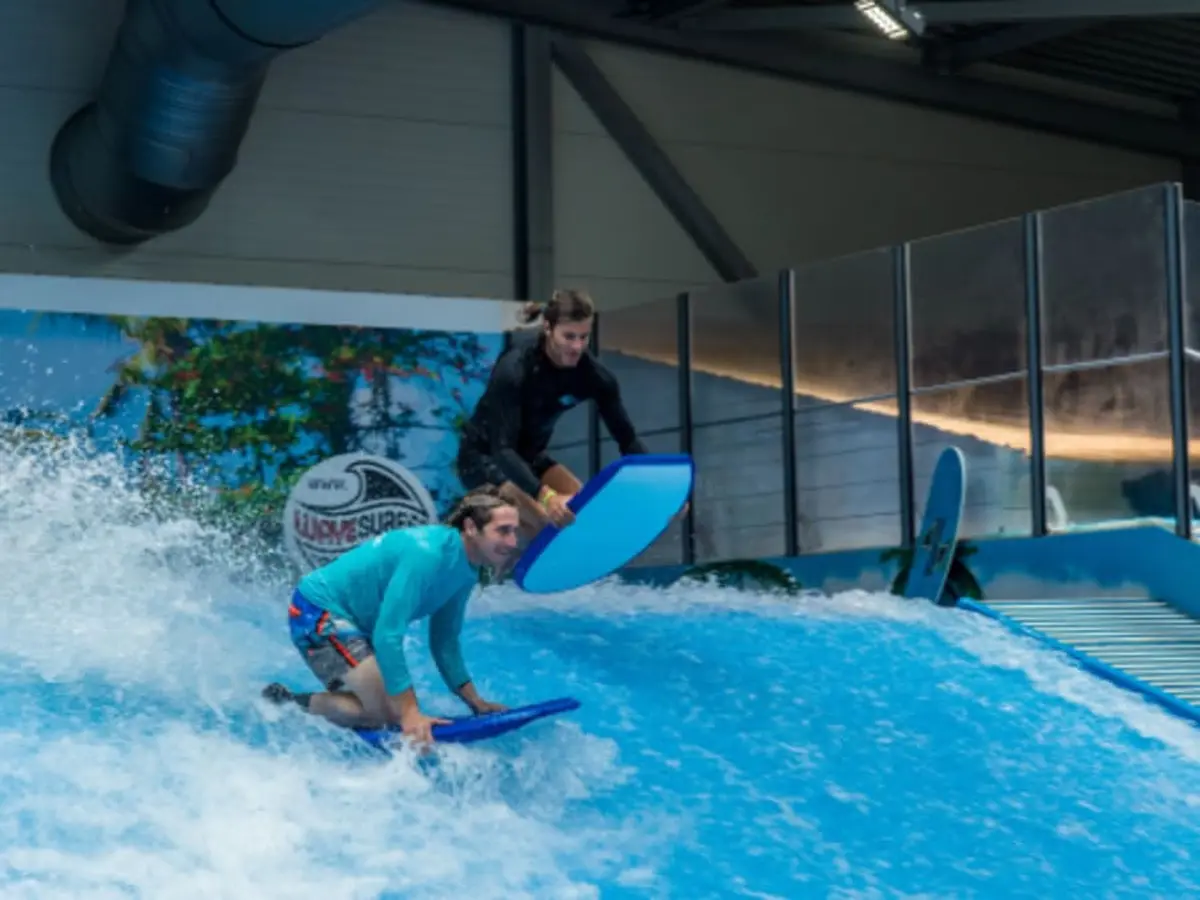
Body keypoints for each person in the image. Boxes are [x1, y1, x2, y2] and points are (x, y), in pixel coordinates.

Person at [262, 486, 520, 745]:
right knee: (385, 715)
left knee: (380, 713)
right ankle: (294, 703)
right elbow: (387, 634)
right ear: (472, 528)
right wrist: (410, 714)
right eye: (503, 531)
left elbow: (445, 641)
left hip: (355, 625)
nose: (512, 542)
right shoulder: (429, 554)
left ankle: (288, 702)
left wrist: (475, 701)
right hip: (318, 611)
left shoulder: (467, 570)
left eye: (514, 531)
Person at [456, 288, 649, 544]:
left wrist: (656, 493)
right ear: (548, 327)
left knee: (582, 511)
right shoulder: (514, 369)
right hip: (483, 458)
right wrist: (545, 496)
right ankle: (508, 580)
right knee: (547, 522)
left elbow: (628, 440)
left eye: (584, 337)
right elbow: (502, 450)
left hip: (530, 457)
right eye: (569, 336)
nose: (577, 347)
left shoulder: (595, 377)